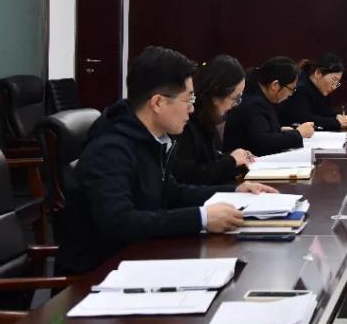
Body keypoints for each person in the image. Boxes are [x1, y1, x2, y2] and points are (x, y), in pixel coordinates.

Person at [56, 46, 274, 274]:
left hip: (142, 257)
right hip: (100, 275)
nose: (192, 108)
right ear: (158, 103)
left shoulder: (151, 139)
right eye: (188, 98)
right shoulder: (110, 149)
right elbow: (120, 222)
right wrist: (201, 218)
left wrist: (235, 191)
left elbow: (172, 193)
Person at [169, 54, 256, 185]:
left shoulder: (205, 120)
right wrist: (231, 161)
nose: (235, 105)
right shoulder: (184, 124)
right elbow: (189, 177)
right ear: (216, 97)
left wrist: (236, 158)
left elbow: (208, 160)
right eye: (235, 98)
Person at [223, 56, 314, 155]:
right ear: (275, 85)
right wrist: (298, 134)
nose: (290, 94)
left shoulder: (256, 91)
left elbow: (259, 132)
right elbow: (264, 143)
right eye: (291, 89)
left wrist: (279, 131)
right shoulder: (254, 103)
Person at [278, 52, 347, 131]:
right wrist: (337, 123)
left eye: (337, 83)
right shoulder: (300, 88)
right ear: (318, 73)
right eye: (334, 80)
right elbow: (305, 119)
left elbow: (323, 111)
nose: (334, 86)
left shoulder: (319, 89)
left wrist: (337, 116)